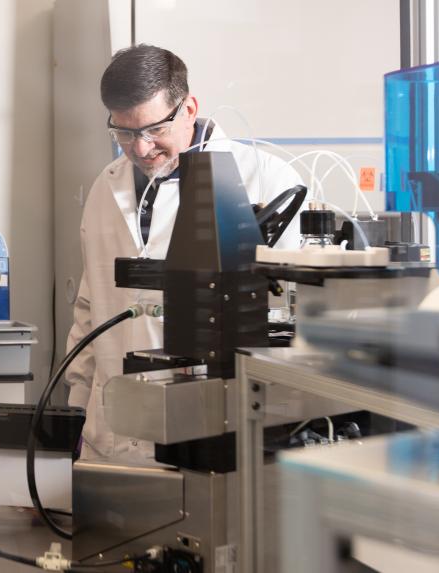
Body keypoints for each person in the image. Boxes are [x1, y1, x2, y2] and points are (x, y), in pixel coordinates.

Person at [65, 44, 303, 461]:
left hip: (209, 428)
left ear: (189, 108)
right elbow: (90, 310)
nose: (139, 149)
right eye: (123, 132)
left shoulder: (263, 179)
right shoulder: (107, 184)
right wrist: (70, 419)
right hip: (109, 434)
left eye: (153, 130)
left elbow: (287, 312)